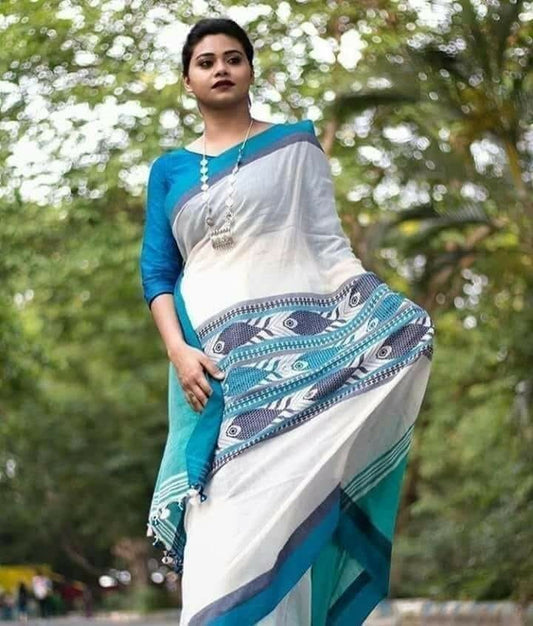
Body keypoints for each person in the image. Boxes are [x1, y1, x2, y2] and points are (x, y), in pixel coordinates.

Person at [140, 16, 435, 626]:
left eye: (233, 57)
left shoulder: (295, 146)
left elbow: (327, 245)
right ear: (188, 81)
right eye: (205, 62)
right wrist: (177, 351)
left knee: (286, 506)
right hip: (209, 366)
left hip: (295, 365)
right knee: (219, 514)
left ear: (250, 70)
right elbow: (157, 273)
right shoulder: (169, 170)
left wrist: (381, 314)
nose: (220, 68)